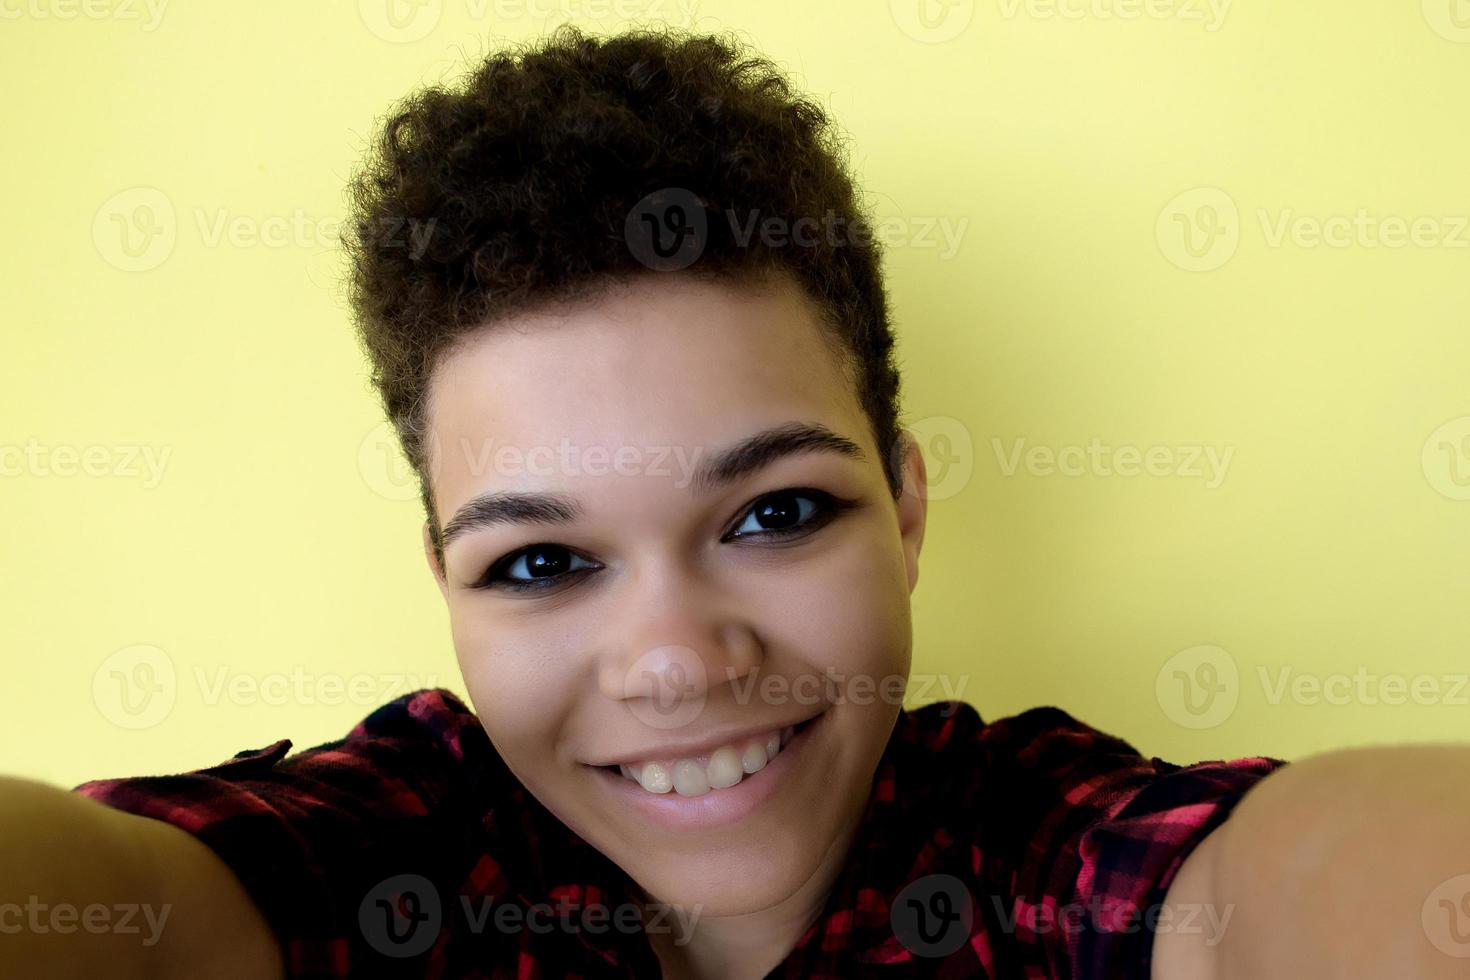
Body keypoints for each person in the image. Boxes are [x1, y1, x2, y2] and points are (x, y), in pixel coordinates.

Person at [5, 23, 1466, 980]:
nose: (678, 662)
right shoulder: (396, 859)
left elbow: (1270, 902)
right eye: (538, 562)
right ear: (441, 577)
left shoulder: (1035, 859)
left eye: (773, 514)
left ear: (902, 505)